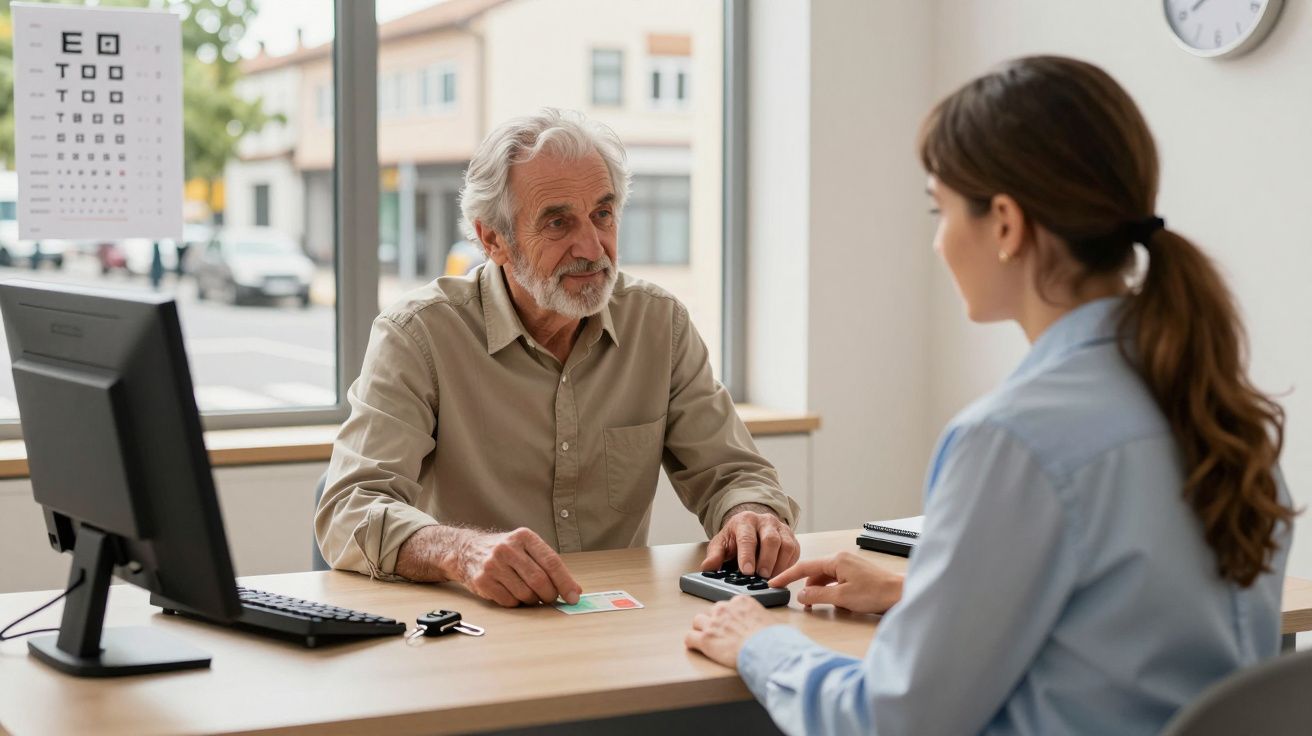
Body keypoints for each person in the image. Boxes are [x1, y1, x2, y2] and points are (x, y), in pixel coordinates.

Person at [685, 55, 1295, 735]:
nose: (940, 241)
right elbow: (1124, 634)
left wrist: (758, 643)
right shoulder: (1216, 406)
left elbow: (891, 721)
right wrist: (920, 595)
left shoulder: (1016, 438)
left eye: (939, 209)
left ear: (1005, 223)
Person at [317, 109, 801, 609]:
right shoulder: (419, 335)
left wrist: (751, 514)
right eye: (557, 222)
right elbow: (348, 511)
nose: (592, 247)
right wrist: (461, 551)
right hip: (476, 628)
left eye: (603, 215)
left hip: (618, 627)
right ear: (492, 240)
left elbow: (734, 472)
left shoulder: (659, 324)